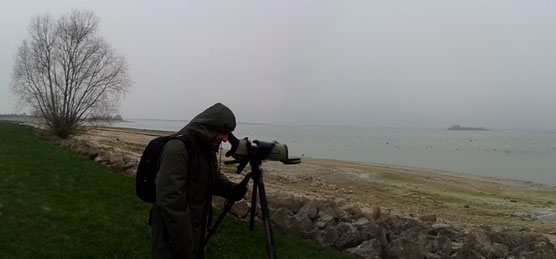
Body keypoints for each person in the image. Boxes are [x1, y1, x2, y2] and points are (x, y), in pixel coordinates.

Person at [150, 103, 247, 259]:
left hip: (195, 232)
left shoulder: (206, 148)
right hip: (172, 239)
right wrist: (186, 246)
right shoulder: (177, 148)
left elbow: (212, 178)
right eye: (223, 133)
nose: (225, 139)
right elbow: (170, 200)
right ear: (209, 128)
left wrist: (231, 189)